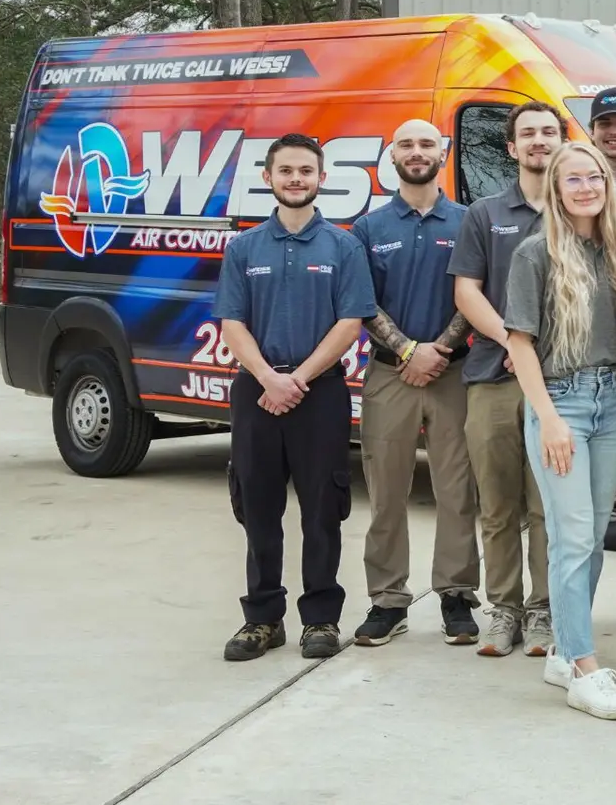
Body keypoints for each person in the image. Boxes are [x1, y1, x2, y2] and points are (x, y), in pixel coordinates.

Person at [218, 133, 374, 662]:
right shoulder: (244, 247)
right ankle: (262, 619)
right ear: (268, 177)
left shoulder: (343, 246)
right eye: (285, 171)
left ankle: (320, 620)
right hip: (257, 391)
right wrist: (267, 378)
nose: (296, 179)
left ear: (321, 178)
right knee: (257, 505)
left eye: (306, 171)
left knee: (322, 509)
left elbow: (349, 322)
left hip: (319, 392)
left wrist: (297, 380)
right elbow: (233, 322)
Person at [504, 141, 616, 720]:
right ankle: (584, 670)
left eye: (595, 178)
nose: (586, 187)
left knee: (594, 537)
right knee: (573, 535)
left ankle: (564, 650)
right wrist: (550, 419)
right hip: (560, 401)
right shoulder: (535, 254)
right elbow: (519, 343)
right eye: (573, 179)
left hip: (613, 401)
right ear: (556, 190)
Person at [350, 120, 481, 648]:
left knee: (457, 491)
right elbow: (361, 301)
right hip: (389, 374)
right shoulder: (368, 228)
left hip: (453, 375)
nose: (417, 152)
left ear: (442, 152)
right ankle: (387, 600)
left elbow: (475, 294)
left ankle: (456, 594)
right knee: (385, 493)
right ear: (392, 155)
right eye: (406, 144)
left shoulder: (470, 221)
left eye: (427, 143)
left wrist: (437, 351)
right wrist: (407, 350)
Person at [450, 101, 563, 657]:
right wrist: (513, 344)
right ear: (512, 148)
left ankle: (544, 612)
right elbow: (466, 291)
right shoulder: (483, 213)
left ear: (561, 142)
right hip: (493, 378)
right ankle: (504, 610)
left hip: (561, 382)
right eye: (528, 135)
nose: (538, 141)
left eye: (548, 132)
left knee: (548, 506)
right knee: (496, 504)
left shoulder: (579, 210)